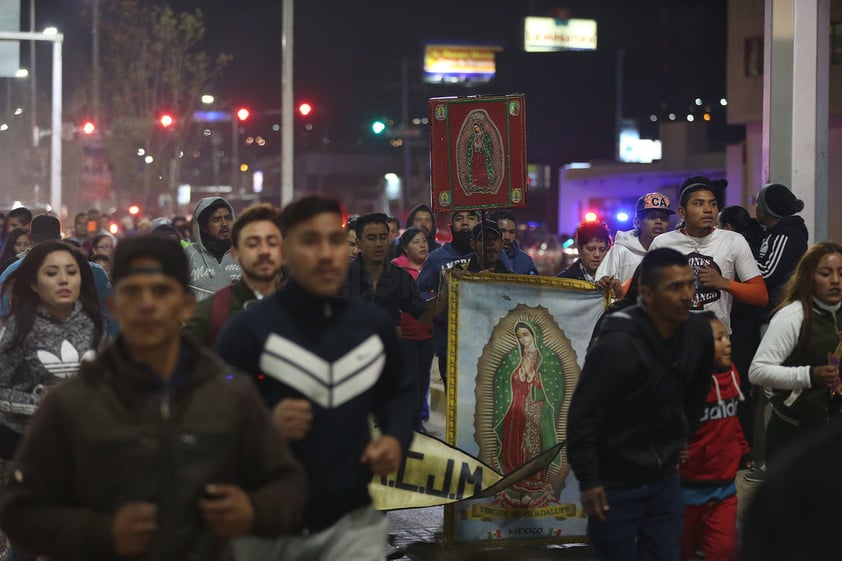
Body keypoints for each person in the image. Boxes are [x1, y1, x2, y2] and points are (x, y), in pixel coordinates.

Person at [0, 236, 307, 560]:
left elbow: (288, 485)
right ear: (116, 306)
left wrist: (252, 511)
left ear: (187, 306)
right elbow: (21, 511)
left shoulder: (228, 394)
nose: (147, 304)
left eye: (161, 291)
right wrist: (101, 532)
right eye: (133, 292)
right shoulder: (71, 403)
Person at [214, 195, 415, 561]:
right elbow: (210, 415)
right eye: (310, 241)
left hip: (348, 525)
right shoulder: (249, 330)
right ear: (285, 251)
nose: (326, 254)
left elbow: (399, 391)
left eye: (335, 241)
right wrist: (265, 424)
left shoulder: (372, 329)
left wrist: (395, 438)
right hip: (264, 529)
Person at [567, 248, 715, 561]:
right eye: (675, 287)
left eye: (690, 284)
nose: (687, 295)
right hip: (615, 480)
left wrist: (681, 435)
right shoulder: (617, 341)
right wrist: (590, 480)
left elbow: (697, 391)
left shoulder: (699, 332)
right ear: (646, 293)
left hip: (664, 478)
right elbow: (583, 415)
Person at [0, 241, 107, 561]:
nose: (63, 280)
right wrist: (37, 403)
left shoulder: (95, 326)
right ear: (34, 283)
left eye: (71, 272)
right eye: (52, 273)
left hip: (78, 449)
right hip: (23, 448)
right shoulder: (20, 327)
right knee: (28, 544)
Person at [748, 242, 842, 466]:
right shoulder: (793, 316)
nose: (836, 281)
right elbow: (757, 371)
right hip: (793, 431)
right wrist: (810, 375)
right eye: (826, 273)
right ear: (809, 277)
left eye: (841, 273)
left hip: (832, 430)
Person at [649, 176, 768, 333]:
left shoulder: (733, 240)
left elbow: (760, 296)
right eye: (699, 204)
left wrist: (724, 283)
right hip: (673, 338)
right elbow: (646, 293)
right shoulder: (662, 243)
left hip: (716, 340)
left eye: (713, 204)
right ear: (682, 212)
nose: (708, 209)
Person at [679, 312, 751, 561]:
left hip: (723, 489)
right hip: (684, 492)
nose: (727, 342)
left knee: (724, 550)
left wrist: (742, 447)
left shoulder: (732, 373)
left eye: (726, 336)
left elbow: (731, 418)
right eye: (718, 338)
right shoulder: (685, 384)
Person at [184, 203, 284, 347]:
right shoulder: (210, 312)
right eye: (253, 243)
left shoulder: (301, 307)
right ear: (235, 253)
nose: (264, 251)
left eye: (272, 243)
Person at [493, 320, 564, 508]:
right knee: (513, 442)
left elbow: (556, 385)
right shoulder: (514, 356)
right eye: (519, 337)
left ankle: (535, 483)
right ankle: (514, 482)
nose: (523, 340)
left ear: (534, 335)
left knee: (533, 443)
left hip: (536, 406)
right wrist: (516, 379)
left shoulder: (547, 356)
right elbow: (502, 380)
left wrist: (538, 381)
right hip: (516, 405)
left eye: (526, 335)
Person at [417, 210, 479, 385]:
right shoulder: (437, 258)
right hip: (449, 343)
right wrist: (439, 303)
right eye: (459, 219)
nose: (465, 223)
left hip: (484, 340)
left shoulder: (487, 255)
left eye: (471, 218)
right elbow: (419, 292)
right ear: (451, 227)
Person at [391, 226, 434, 429]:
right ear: (405, 248)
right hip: (404, 336)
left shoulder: (433, 266)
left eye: (424, 240)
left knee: (422, 381)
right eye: (416, 242)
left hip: (427, 333)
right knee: (408, 381)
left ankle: (417, 421)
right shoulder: (395, 268)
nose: (422, 245)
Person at [596, 192, 675, 287]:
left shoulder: (672, 253)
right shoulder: (620, 251)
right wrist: (603, 282)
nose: (659, 222)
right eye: (652, 217)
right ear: (637, 222)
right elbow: (601, 285)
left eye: (664, 218)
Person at [754, 182, 808, 320]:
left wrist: (740, 257)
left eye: (758, 204)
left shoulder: (787, 235)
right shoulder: (773, 233)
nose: (756, 208)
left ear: (768, 209)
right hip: (769, 310)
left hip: (777, 311)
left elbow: (767, 273)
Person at [184, 197, 242, 302]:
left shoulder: (244, 253)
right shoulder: (188, 254)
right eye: (216, 219)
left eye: (228, 218)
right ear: (203, 227)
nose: (224, 224)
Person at [557, 222, 620, 296]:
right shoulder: (562, 281)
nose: (597, 255)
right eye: (590, 249)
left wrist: (619, 294)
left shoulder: (617, 277)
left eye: (602, 249)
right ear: (580, 250)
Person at [491, 209, 538, 275]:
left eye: (511, 232)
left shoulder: (526, 261)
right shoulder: (477, 258)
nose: (507, 237)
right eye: (503, 231)